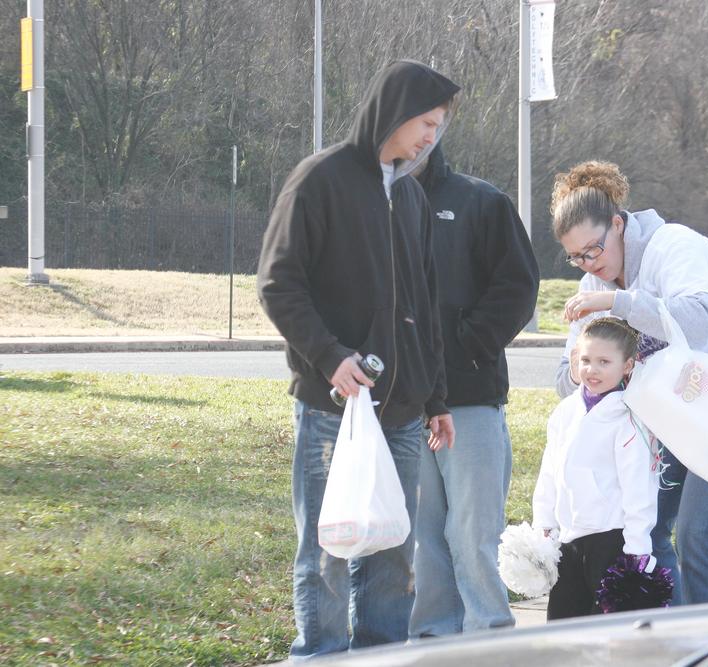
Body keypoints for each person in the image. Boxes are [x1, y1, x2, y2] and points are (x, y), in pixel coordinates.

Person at [256, 60, 459, 659]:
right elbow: (278, 283)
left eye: (440, 126)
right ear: (393, 111)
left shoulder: (415, 198)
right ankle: (319, 655)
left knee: (393, 551)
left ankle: (378, 657)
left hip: (402, 412)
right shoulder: (319, 178)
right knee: (328, 550)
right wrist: (329, 357)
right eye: (425, 122)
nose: (431, 136)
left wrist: (438, 397)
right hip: (333, 407)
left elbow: (425, 306)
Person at [551, 160, 708, 606]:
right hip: (674, 414)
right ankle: (673, 640)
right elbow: (568, 377)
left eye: (594, 250)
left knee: (699, 533)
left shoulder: (673, 246)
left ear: (618, 225)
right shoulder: (592, 283)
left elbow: (696, 321)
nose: (588, 264)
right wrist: (593, 368)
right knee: (647, 529)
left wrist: (619, 302)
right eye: (576, 256)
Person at [408, 145, 540, 637]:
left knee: (474, 534)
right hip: (402, 403)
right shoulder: (375, 203)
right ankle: (432, 639)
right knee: (421, 538)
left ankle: (488, 636)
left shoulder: (481, 202)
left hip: (470, 399)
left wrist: (466, 347)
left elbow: (518, 286)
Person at [532, 317, 660, 620]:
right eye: (586, 360)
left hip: (611, 541)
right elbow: (550, 471)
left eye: (604, 361)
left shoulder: (629, 420)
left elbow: (638, 489)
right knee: (563, 625)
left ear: (627, 365)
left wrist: (637, 550)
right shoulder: (565, 411)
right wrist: (544, 523)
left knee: (608, 633)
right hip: (568, 540)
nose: (592, 370)